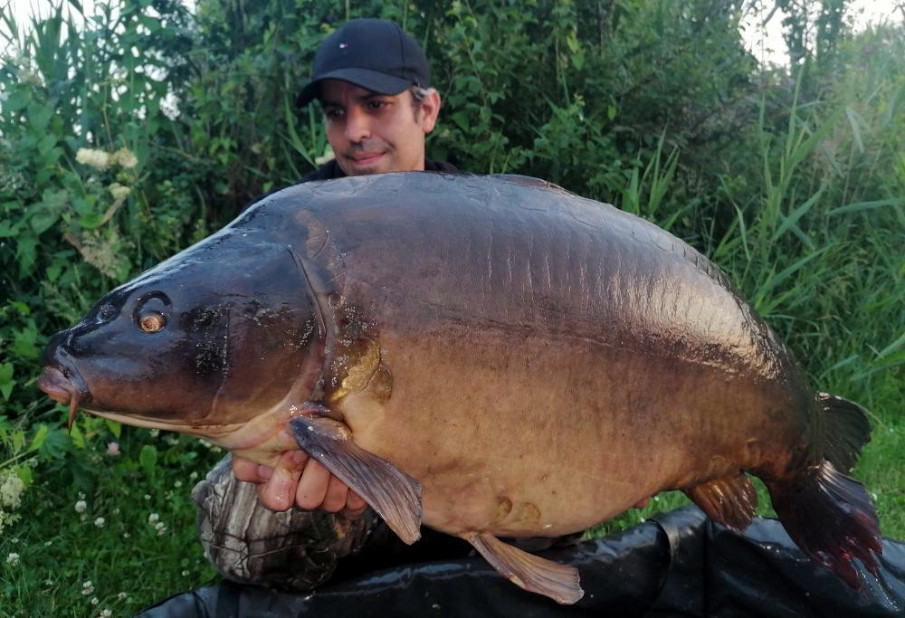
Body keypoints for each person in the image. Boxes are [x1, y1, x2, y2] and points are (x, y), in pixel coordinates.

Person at [192, 18, 468, 590]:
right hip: (341, 443)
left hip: (465, 445)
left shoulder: (480, 224)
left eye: (376, 104)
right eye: (337, 113)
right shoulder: (297, 226)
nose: (356, 131)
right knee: (244, 527)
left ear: (428, 111)